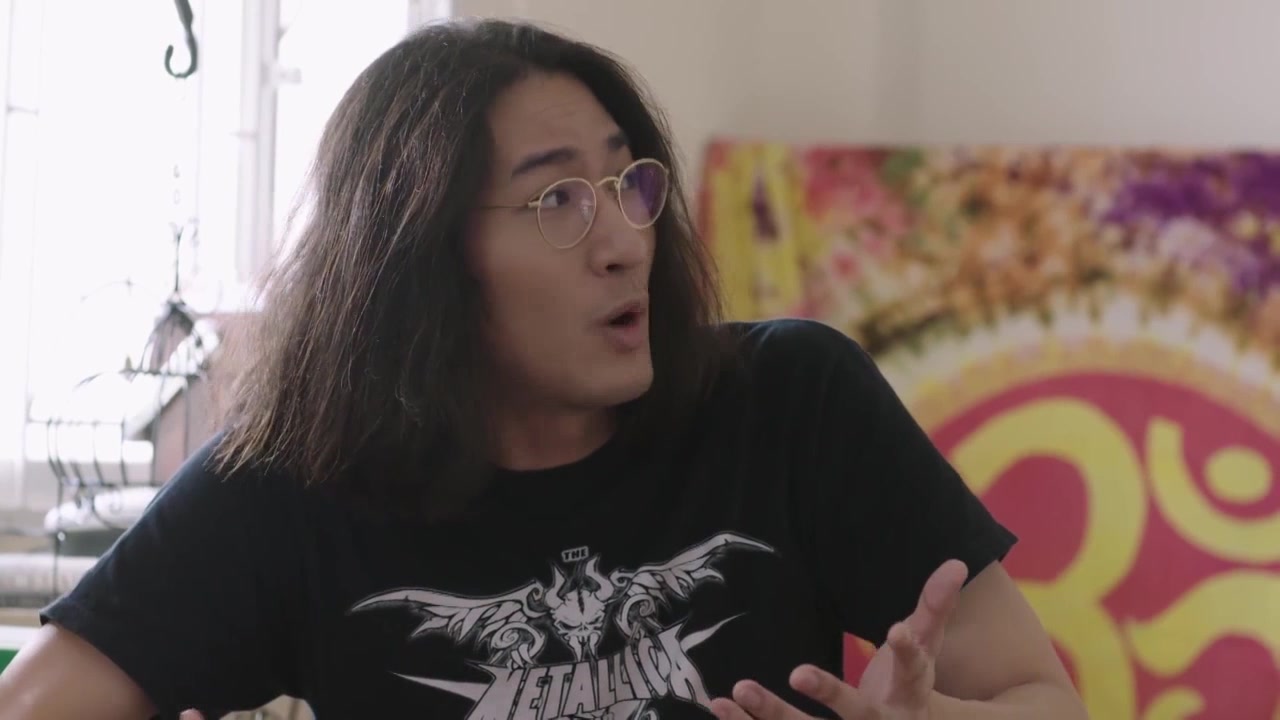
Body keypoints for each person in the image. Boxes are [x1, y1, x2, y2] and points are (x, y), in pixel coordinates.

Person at [0, 17, 1087, 720]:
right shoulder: (295, 484)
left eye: (627, 184)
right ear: (420, 260)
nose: (624, 241)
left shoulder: (791, 403)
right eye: (556, 198)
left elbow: (1042, 698)